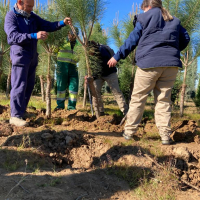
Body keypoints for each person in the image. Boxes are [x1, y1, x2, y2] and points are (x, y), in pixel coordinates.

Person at [107, 0, 190, 145]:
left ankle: (129, 132)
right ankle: (165, 136)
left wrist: (117, 56)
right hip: (170, 66)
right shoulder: (173, 19)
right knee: (164, 100)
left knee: (138, 98)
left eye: (144, 9)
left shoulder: (144, 17)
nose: (144, 11)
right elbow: (186, 38)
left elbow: (132, 40)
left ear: (148, 7)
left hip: (149, 64)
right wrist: (172, 50)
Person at [4, 0, 72, 126]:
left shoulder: (32, 17)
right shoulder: (11, 16)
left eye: (32, 6)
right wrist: (34, 36)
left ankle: (22, 111)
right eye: (29, 6)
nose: (31, 9)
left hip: (32, 56)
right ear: (20, 2)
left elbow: (47, 25)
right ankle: (15, 116)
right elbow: (13, 36)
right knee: (19, 85)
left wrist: (62, 23)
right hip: (20, 55)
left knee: (29, 85)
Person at [88, 41, 128, 116]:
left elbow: (106, 64)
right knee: (95, 92)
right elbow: (90, 66)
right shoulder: (89, 56)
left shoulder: (102, 50)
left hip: (110, 72)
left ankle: (125, 112)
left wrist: (95, 75)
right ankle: (100, 112)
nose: (89, 54)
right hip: (98, 75)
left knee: (116, 92)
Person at [55, 30, 79, 111]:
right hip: (62, 66)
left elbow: (80, 57)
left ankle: (71, 107)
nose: (72, 36)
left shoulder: (79, 45)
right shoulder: (61, 42)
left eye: (74, 34)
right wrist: (58, 62)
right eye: (71, 34)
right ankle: (60, 106)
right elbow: (52, 51)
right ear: (68, 34)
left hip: (73, 67)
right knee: (61, 86)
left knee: (74, 87)